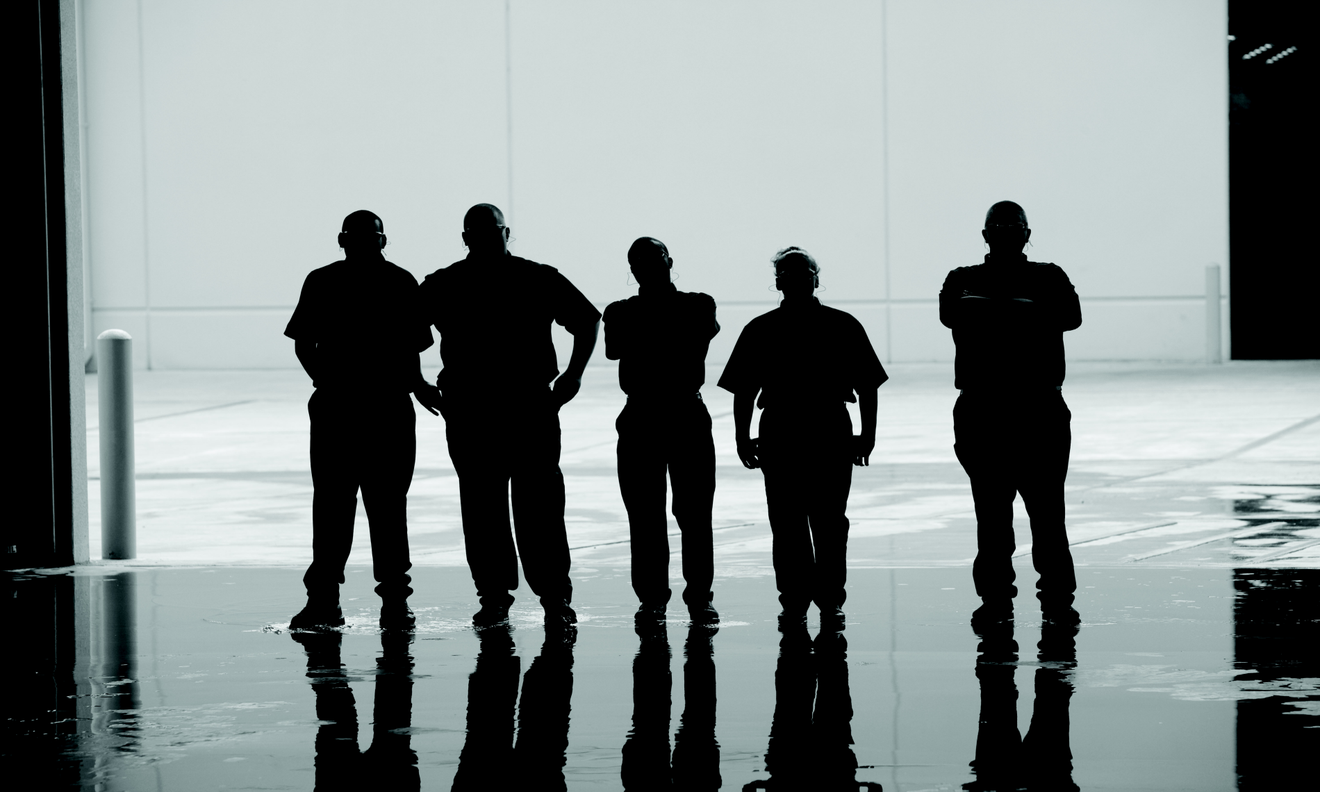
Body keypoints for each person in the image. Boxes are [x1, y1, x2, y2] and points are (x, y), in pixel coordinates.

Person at [418, 203, 600, 629]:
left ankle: (503, 597)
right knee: (529, 505)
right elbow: (587, 320)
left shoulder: (447, 283)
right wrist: (571, 376)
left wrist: (418, 384)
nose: (482, 239)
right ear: (505, 232)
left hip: (480, 407)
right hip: (520, 405)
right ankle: (547, 598)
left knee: (490, 506)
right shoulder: (535, 277)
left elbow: (404, 332)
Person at [285, 210, 442, 631]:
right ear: (384, 240)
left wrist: (327, 379)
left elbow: (303, 344)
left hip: (338, 407)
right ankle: (394, 603)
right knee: (388, 506)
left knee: (333, 505)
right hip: (388, 408)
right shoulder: (401, 282)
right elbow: (414, 348)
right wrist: (418, 386)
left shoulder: (321, 280)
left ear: (341, 239)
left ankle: (324, 600)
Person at [718, 248, 887, 629]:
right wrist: (741, 437)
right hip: (790, 430)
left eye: (801, 272)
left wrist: (868, 435)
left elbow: (868, 385)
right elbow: (743, 390)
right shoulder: (766, 328)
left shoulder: (837, 325)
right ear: (778, 281)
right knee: (792, 521)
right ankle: (802, 599)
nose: (793, 279)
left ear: (815, 277)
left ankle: (822, 599)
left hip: (819, 429)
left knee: (822, 521)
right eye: (787, 274)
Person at [939, 200, 1082, 628]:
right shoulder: (967, 280)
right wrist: (1025, 309)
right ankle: (1015, 600)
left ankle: (1033, 600)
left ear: (1023, 235)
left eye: (1008, 227)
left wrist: (995, 310)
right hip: (993, 410)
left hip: (1030, 409)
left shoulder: (1036, 277)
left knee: (1035, 515)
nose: (1003, 233)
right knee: (1001, 515)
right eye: (998, 227)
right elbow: (951, 318)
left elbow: (1071, 319)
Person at [604, 237, 720, 626]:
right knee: (667, 513)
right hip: (677, 412)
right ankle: (689, 598)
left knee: (664, 514)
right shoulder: (696, 306)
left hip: (652, 415)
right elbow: (690, 337)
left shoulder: (622, 313)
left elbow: (619, 346)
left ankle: (664, 599)